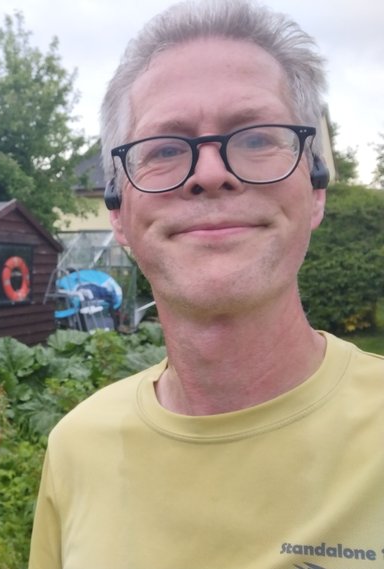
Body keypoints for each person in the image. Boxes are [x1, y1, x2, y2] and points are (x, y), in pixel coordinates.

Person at [28, 1, 384, 567]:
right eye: (166, 149)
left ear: (315, 190)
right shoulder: (76, 447)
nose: (210, 173)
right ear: (118, 213)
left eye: (256, 137)